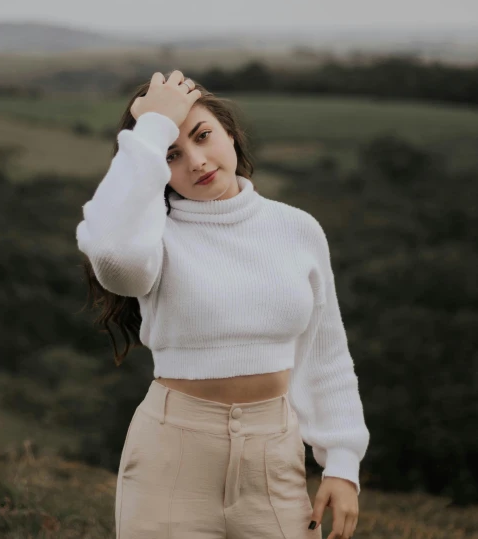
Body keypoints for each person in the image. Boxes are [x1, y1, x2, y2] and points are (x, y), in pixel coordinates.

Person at [76, 69, 370, 539]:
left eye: (203, 136)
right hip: (170, 462)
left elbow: (325, 353)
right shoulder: (152, 237)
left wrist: (342, 462)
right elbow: (113, 256)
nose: (195, 161)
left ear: (230, 133)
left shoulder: (298, 229)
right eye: (172, 154)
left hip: (275, 462)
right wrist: (150, 127)